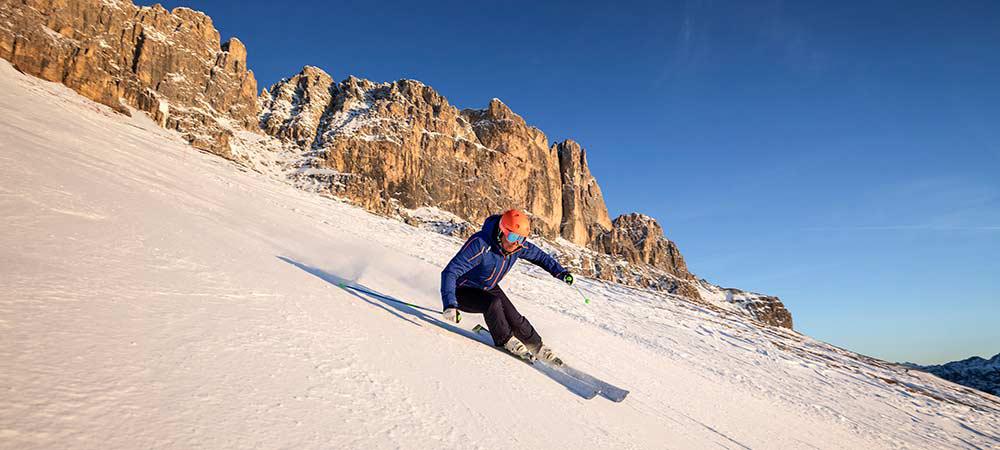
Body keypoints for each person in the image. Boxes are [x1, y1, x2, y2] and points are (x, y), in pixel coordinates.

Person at [440, 209, 575, 363]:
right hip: (461, 290)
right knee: (493, 304)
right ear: (501, 231)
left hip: (487, 286)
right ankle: (506, 340)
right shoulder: (481, 244)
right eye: (512, 237)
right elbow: (450, 272)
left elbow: (540, 257)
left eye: (521, 238)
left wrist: (561, 273)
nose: (516, 243)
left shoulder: (518, 247)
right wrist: (450, 304)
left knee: (515, 318)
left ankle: (537, 346)